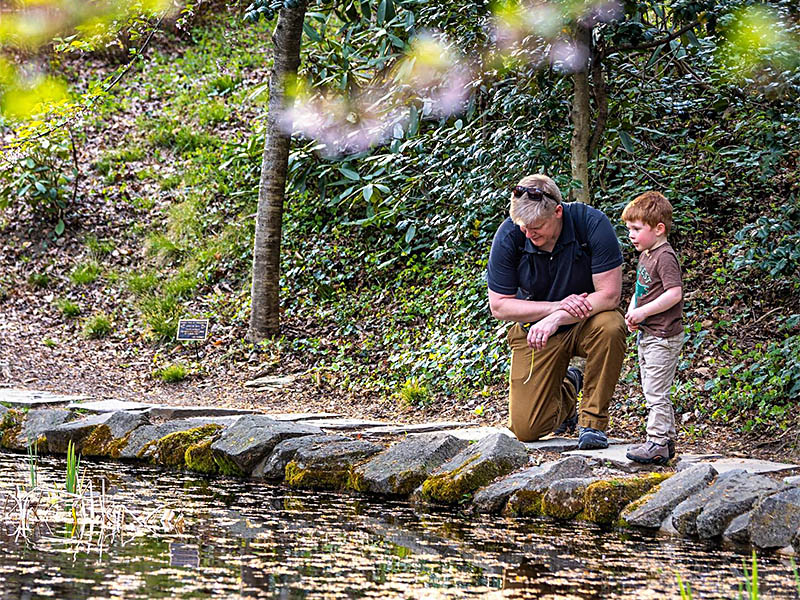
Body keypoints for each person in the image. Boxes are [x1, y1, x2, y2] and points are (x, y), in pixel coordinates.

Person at [487, 174, 626, 449]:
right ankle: (568, 389)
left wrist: (559, 317)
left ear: (558, 212)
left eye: (536, 226)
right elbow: (499, 305)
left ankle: (593, 424)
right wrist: (554, 308)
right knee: (526, 430)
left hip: (588, 320)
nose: (528, 233)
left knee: (611, 325)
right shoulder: (509, 235)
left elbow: (609, 295)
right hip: (537, 332)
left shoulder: (592, 224)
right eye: (523, 227)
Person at [621, 191, 684, 464]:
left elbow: (674, 294)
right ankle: (666, 442)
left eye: (636, 229)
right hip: (648, 333)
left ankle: (657, 441)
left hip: (663, 336)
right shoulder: (646, 254)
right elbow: (642, 289)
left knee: (656, 392)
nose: (631, 235)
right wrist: (633, 310)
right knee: (651, 388)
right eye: (629, 229)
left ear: (659, 229)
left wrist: (643, 311)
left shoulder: (665, 256)